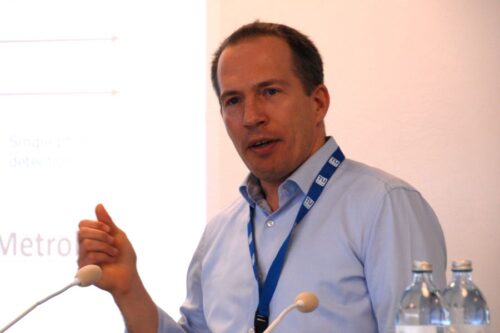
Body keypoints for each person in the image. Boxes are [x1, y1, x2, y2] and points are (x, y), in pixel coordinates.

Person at [77, 22, 447, 333]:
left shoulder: (385, 205)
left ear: (317, 102)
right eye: (233, 101)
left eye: (269, 92)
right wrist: (129, 291)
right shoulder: (221, 231)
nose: (251, 116)